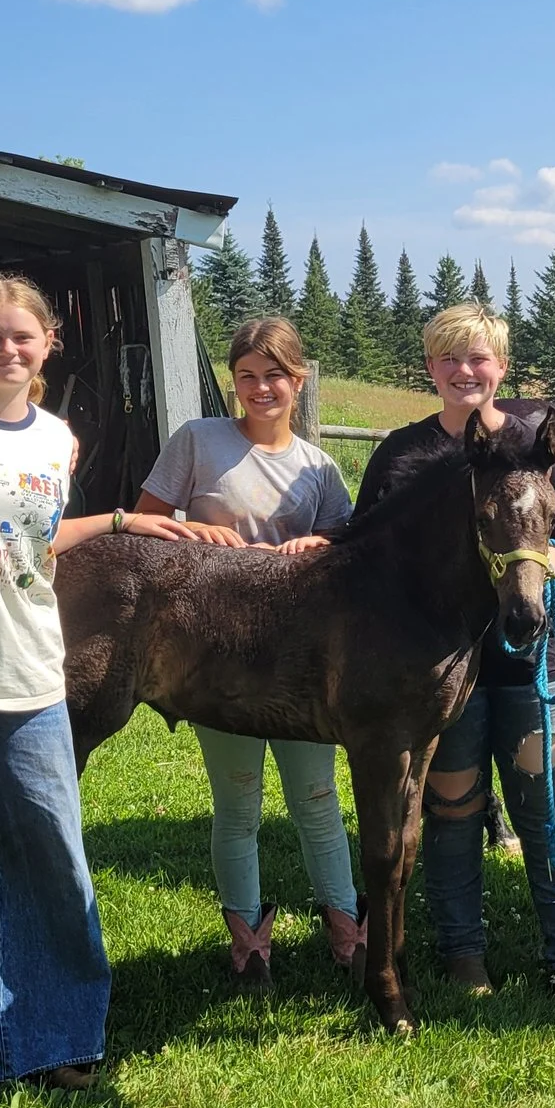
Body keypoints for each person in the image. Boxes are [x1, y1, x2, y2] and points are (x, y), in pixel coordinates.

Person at [0, 272, 209, 1108]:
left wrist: (122, 522)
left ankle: (57, 1034)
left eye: (22, 335)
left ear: (48, 342)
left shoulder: (58, 438)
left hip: (28, 667)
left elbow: (35, 538)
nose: (6, 348)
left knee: (52, 849)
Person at [355, 302, 555, 1005]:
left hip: (528, 660)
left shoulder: (536, 446)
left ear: (502, 366)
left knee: (546, 809)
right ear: (430, 367)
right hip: (433, 668)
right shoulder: (402, 454)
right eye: (450, 358)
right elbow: (364, 548)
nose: (465, 371)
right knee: (452, 807)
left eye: (479, 358)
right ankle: (463, 953)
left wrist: (543, 561)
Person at [136, 316, 360, 985]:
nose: (261, 388)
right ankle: (249, 942)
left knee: (317, 796)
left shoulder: (319, 467)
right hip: (219, 654)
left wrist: (321, 544)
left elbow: (351, 552)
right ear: (233, 380)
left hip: (299, 660)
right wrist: (197, 533)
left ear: (299, 380)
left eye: (275, 376)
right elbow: (145, 526)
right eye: (247, 376)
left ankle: (348, 930)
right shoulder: (198, 440)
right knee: (237, 803)